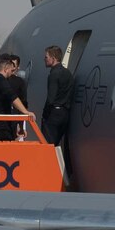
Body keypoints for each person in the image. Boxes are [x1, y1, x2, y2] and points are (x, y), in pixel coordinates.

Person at [40, 44, 77, 173]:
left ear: (54, 58)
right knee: (59, 145)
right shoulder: (68, 73)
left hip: (54, 114)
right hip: (65, 113)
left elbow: (51, 98)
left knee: (47, 146)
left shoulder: (54, 74)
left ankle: (47, 172)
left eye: (46, 57)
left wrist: (45, 114)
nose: (44, 59)